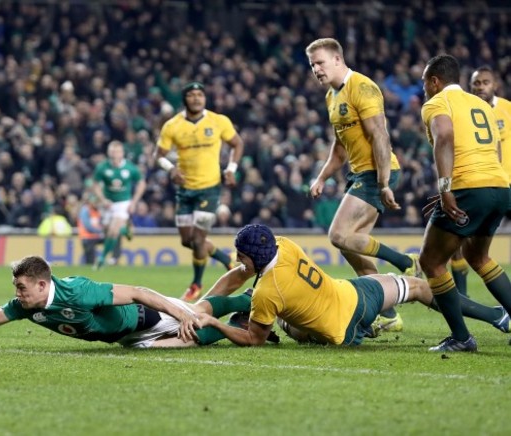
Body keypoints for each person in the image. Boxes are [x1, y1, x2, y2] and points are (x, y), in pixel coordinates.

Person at [196, 224, 509, 347]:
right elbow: (240, 272)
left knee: (287, 322)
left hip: (341, 333)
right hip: (358, 296)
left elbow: (253, 340)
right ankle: (496, 316)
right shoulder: (284, 244)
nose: (238, 260)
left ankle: (250, 312)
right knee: (420, 288)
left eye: (242, 255)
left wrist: (211, 319)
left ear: (256, 256)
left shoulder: (267, 291)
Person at [0, 255, 272, 349]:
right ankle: (240, 315)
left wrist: (181, 313)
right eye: (16, 287)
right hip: (126, 337)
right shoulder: (27, 307)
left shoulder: (78, 290)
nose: (17, 294)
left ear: (43, 284)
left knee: (198, 319)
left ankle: (247, 306)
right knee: (195, 319)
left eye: (22, 288)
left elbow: (140, 291)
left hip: (149, 317)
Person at [305, 38, 421, 332]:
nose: (316, 69)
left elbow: (380, 135)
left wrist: (384, 181)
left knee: (338, 235)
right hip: (359, 174)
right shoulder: (332, 96)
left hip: (376, 173)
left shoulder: (363, 87)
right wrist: (321, 177)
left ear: (336, 59)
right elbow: (339, 147)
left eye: (320, 63)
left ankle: (406, 262)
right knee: (352, 247)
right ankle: (390, 314)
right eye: (312, 65)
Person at [418, 54, 511, 352]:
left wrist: (447, 186)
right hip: (499, 186)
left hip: (469, 188)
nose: (423, 89)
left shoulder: (436, 103)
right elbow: (493, 148)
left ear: (435, 81)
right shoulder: (481, 104)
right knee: (479, 257)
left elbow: (444, 135)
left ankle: (461, 338)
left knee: (431, 262)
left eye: (424, 83)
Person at [154, 81, 244, 302]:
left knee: (197, 238)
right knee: (188, 241)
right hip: (185, 190)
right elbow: (159, 155)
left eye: (200, 95)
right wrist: (171, 169)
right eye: (192, 95)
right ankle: (227, 260)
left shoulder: (218, 121)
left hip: (209, 188)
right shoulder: (172, 125)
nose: (196, 98)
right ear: (185, 99)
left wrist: (231, 169)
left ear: (205, 98)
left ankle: (196, 284)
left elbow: (237, 144)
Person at [449, 66, 511, 298]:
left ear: (495, 85)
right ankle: (463, 299)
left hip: (506, 185)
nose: (480, 87)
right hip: (476, 185)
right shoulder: (463, 111)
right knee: (457, 245)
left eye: (485, 82)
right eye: (476, 83)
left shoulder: (508, 109)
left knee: (475, 254)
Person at [92, 140, 146, 270]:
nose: (114, 155)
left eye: (116, 152)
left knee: (113, 231)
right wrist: (103, 200)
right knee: (107, 231)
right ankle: (125, 229)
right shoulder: (102, 167)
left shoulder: (130, 168)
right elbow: (95, 185)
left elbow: (142, 183)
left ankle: (102, 259)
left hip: (123, 203)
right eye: (112, 152)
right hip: (108, 204)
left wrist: (134, 202)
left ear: (122, 153)